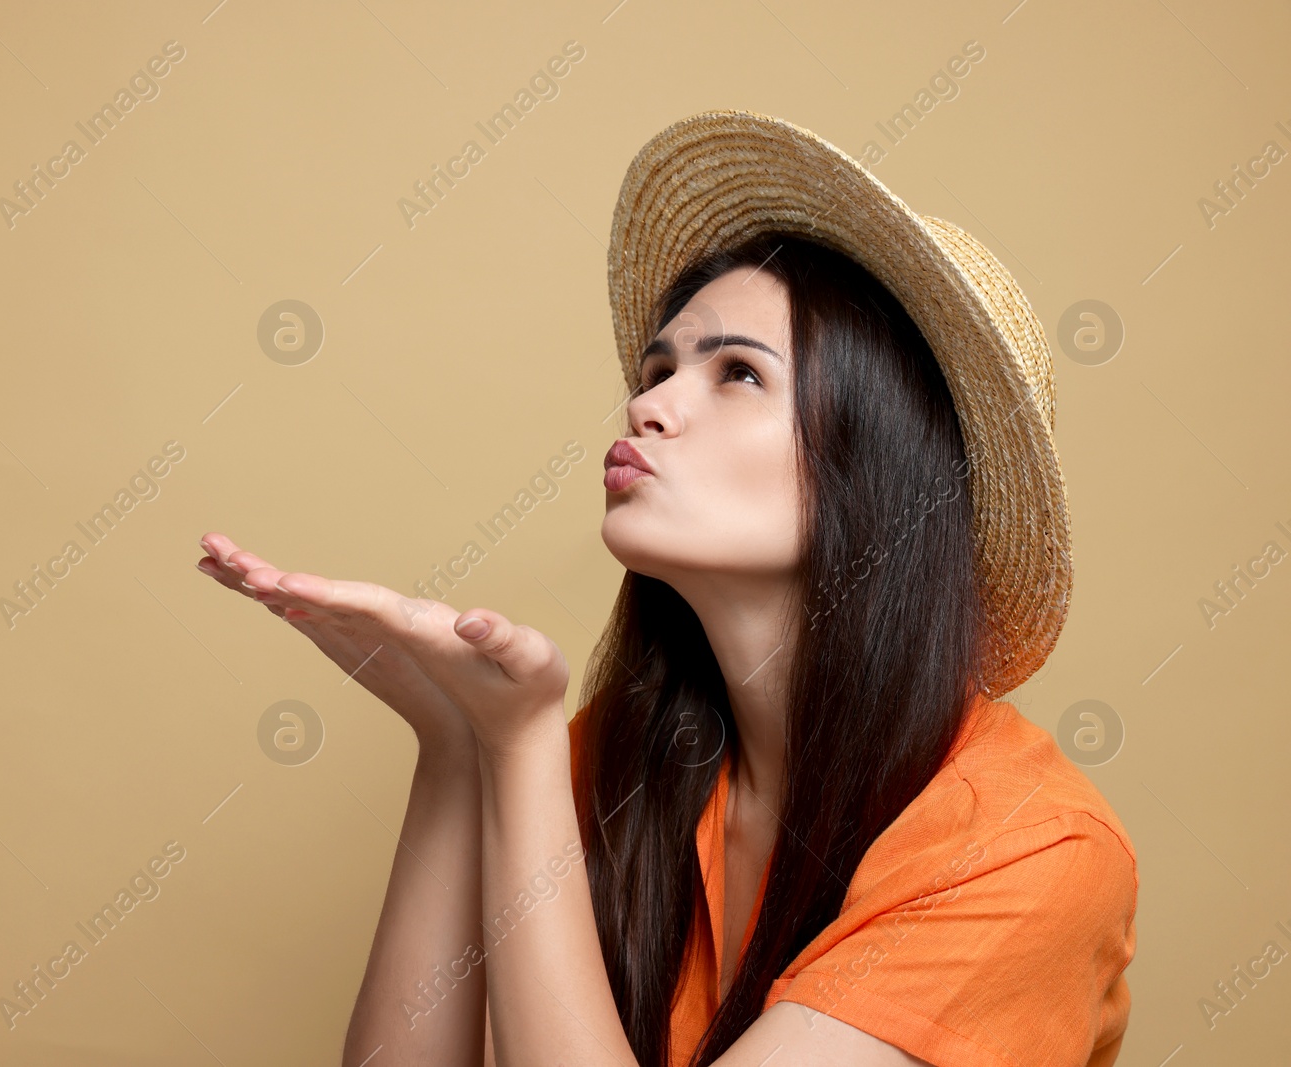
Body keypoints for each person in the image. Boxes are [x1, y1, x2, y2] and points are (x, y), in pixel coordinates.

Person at [196, 111, 1138, 1067]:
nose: (648, 403)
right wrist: (453, 747)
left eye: (736, 372)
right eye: (659, 366)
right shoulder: (626, 762)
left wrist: (515, 743)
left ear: (877, 468)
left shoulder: (1034, 850)